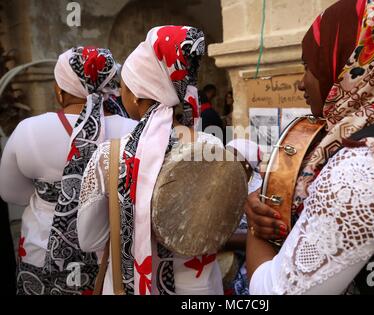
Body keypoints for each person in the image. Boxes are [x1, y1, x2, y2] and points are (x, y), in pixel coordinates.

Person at [246, 0, 374, 295]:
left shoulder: (361, 168)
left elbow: (273, 292)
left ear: (350, 65)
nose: (302, 84)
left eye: (309, 65)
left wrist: (259, 229)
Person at [77, 25, 224, 295]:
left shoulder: (110, 157)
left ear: (135, 95)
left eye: (123, 86)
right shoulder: (211, 146)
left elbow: (89, 239)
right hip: (200, 288)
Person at [0, 47, 137, 295]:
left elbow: (11, 194)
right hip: (115, 257)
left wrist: (55, 193)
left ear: (59, 90)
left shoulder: (28, 130)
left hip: (42, 256)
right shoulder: (136, 130)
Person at [222, 139, 262, 295]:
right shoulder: (224, 183)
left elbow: (256, 235)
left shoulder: (258, 190)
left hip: (249, 260)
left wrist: (222, 242)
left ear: (246, 165)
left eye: (230, 158)